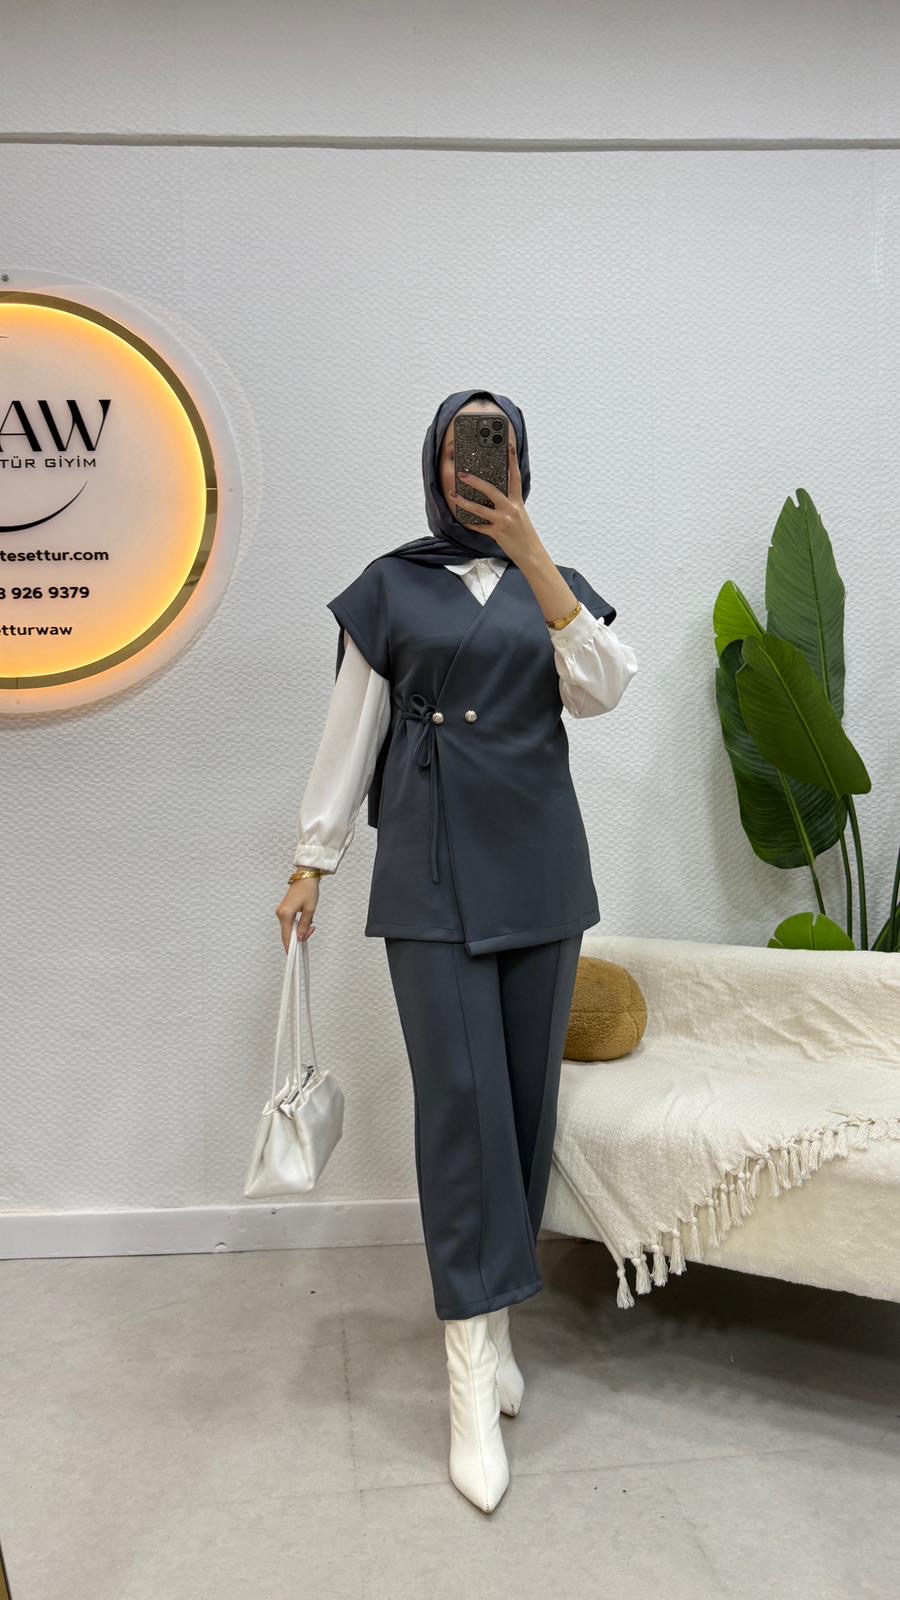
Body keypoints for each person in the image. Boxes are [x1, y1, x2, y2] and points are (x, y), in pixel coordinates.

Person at [276, 389, 637, 1513]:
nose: (476, 463)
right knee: (462, 1105)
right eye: (458, 447)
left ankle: (497, 1326)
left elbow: (603, 690)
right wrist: (313, 858)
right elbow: (353, 727)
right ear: (434, 463)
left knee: (523, 1110)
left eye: (498, 444)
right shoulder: (392, 585)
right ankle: (469, 1375)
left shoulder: (555, 581)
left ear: (522, 461)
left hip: (540, 869)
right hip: (429, 866)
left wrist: (533, 553)